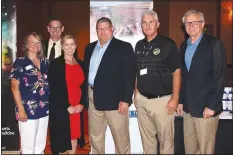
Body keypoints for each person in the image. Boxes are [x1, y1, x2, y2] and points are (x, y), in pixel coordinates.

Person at [83, 17, 137, 154]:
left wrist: (125, 99)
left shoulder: (124, 47)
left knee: (121, 138)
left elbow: (129, 75)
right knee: (96, 137)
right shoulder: (89, 48)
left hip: (115, 101)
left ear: (112, 29)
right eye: (100, 29)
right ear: (96, 31)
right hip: (93, 98)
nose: (103, 32)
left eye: (106, 28)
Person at [177, 9, 227, 154]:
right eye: (187, 23)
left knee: (206, 150)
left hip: (206, 108)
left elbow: (220, 77)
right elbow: (184, 77)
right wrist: (181, 101)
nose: (191, 26)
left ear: (203, 23)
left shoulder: (214, 44)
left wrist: (212, 105)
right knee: (190, 149)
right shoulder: (184, 45)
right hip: (188, 109)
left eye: (195, 22)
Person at [134, 10, 181, 154]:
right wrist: (136, 92)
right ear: (141, 26)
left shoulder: (168, 44)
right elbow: (137, 71)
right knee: (147, 142)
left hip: (163, 102)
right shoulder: (139, 45)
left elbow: (177, 72)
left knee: (166, 143)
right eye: (144, 22)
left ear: (157, 24)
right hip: (142, 101)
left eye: (151, 22)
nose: (147, 26)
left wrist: (175, 98)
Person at [10, 32, 50, 154]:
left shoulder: (46, 62)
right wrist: (21, 109)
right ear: (26, 45)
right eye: (32, 42)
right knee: (28, 146)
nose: (35, 45)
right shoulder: (20, 62)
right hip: (27, 109)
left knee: (40, 144)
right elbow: (14, 87)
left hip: (44, 108)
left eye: (38, 42)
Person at [48, 34, 85, 154]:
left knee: (73, 137)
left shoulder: (80, 63)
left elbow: (84, 87)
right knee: (62, 140)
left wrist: (82, 104)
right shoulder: (56, 64)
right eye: (66, 44)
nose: (70, 47)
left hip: (76, 107)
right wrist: (67, 106)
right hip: (61, 107)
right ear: (62, 47)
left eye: (72, 44)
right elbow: (54, 89)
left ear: (76, 46)